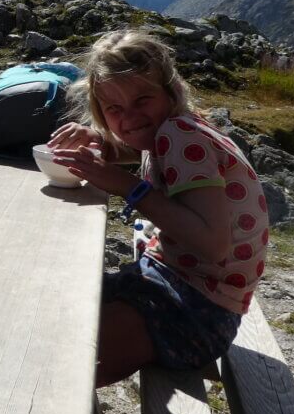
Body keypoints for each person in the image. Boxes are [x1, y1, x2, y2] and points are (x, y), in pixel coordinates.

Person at [48, 30, 269, 387]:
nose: (130, 117)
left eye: (142, 99)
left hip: (201, 310)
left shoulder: (182, 136)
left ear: (170, 90)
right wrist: (99, 142)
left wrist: (127, 187)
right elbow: (139, 145)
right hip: (172, 282)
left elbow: (213, 245)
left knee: (66, 359)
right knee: (60, 307)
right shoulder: (179, 127)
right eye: (114, 109)